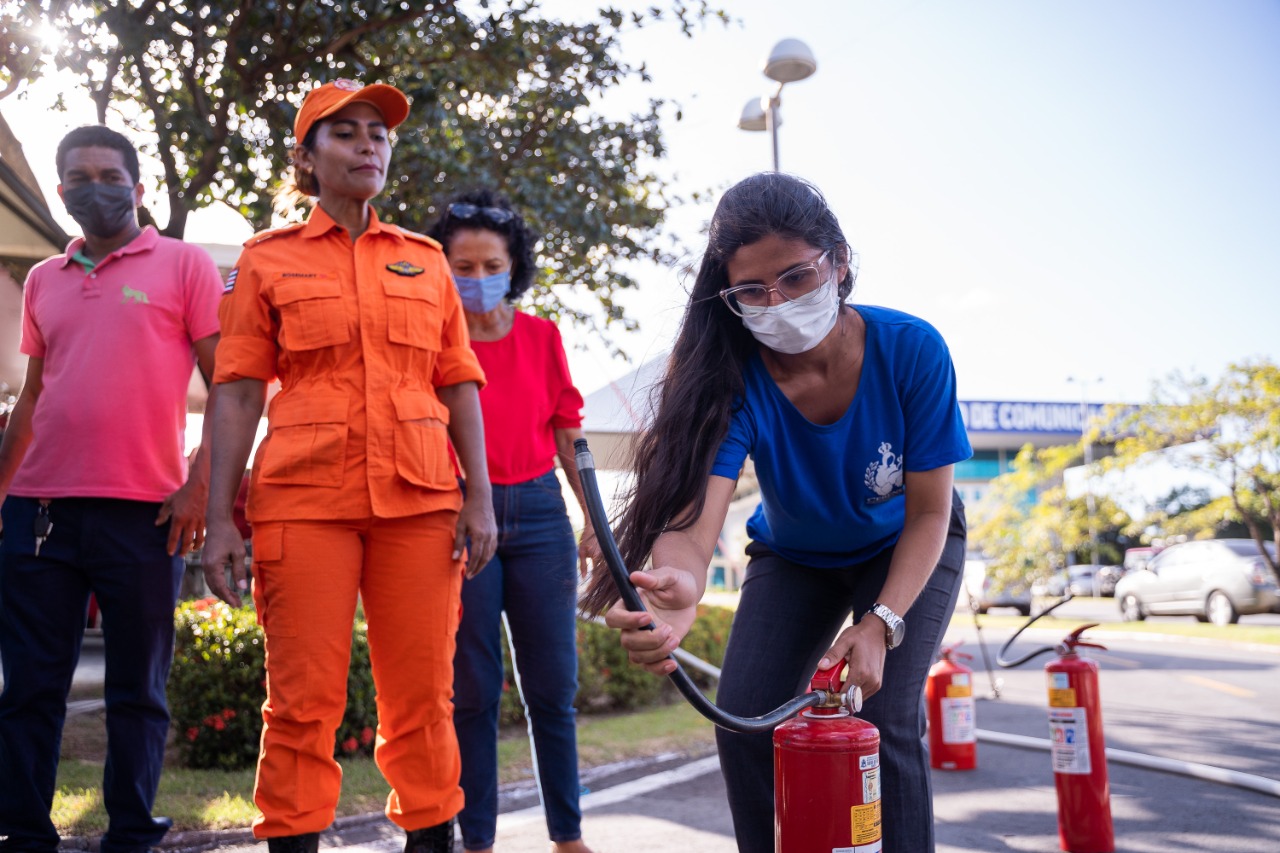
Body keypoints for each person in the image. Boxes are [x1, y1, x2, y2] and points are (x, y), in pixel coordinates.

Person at [582, 172, 972, 853]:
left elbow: (930, 513)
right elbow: (694, 526)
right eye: (752, 291)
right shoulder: (728, 380)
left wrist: (881, 622)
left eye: (795, 277)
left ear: (839, 261)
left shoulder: (911, 349)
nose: (777, 303)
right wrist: (678, 590)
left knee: (885, 714)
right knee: (744, 719)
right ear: (727, 296)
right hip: (795, 556)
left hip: (904, 545)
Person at [200, 79, 496, 853]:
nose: (370, 143)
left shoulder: (426, 262)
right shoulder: (265, 262)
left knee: (425, 700)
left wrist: (482, 499)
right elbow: (235, 396)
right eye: (347, 132)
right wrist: (218, 520)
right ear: (307, 157)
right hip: (302, 499)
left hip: (423, 499)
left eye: (380, 133)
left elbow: (459, 383)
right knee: (301, 701)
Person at [0, 125, 222, 853]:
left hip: (147, 512)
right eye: (77, 177)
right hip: (40, 513)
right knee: (29, 690)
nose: (93, 187)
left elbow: (230, 387)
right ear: (61, 190)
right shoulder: (42, 279)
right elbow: (32, 398)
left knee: (138, 690)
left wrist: (199, 484)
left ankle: (131, 834)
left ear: (137, 183)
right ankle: (26, 834)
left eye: (108, 173)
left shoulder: (184, 265)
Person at [426, 192, 596, 853]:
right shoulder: (435, 340)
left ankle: (568, 834)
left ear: (513, 266)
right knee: (472, 688)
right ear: (442, 267)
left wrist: (593, 525)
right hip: (464, 516)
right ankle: (477, 840)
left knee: (553, 686)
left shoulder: (542, 336)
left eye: (489, 263)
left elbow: (568, 432)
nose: (475, 276)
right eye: (460, 264)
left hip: (542, 514)